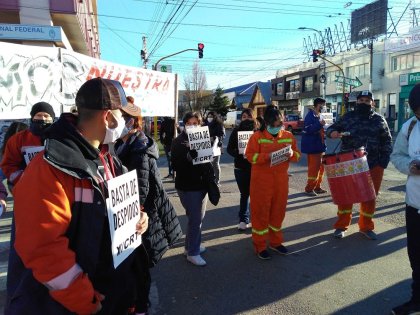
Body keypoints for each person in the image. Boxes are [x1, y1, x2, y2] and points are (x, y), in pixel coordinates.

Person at [5, 78, 149, 315]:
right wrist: (84, 300)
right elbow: (44, 249)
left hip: (109, 290)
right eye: (123, 116)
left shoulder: (107, 157)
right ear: (108, 117)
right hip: (72, 305)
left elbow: (116, 205)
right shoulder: (49, 168)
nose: (126, 123)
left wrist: (139, 217)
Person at [115, 99, 183, 310]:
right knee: (133, 268)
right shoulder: (122, 143)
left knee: (139, 269)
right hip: (130, 218)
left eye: (118, 117)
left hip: (141, 219)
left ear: (131, 122)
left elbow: (141, 192)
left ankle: (142, 307)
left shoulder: (139, 149)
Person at [326, 90, 392, 240]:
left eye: (367, 101)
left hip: (373, 164)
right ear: (357, 102)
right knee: (346, 195)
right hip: (349, 163)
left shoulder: (379, 120)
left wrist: (383, 162)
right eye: (361, 100)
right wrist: (333, 133)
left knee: (370, 197)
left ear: (372, 103)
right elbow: (330, 129)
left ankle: (366, 226)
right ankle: (341, 225)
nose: (364, 103)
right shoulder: (348, 117)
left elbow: (387, 141)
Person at [245, 106, 301, 260]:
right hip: (260, 183)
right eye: (273, 125)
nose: (277, 128)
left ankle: (276, 242)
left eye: (279, 125)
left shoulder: (288, 135)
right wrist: (266, 156)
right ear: (266, 123)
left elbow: (297, 155)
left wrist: (291, 154)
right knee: (260, 214)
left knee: (278, 213)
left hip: (281, 183)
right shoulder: (257, 136)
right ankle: (260, 245)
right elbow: (250, 156)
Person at [390, 84, 420, 315]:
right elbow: (397, 154)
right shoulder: (409, 127)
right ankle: (417, 299)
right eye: (417, 111)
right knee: (416, 257)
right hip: (415, 204)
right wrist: (409, 167)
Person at [171, 112, 211, 266]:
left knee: (196, 219)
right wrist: (188, 157)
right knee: (195, 220)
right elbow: (175, 165)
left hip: (201, 185)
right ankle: (193, 253)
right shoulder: (178, 141)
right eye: (189, 123)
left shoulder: (202, 138)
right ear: (184, 124)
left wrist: (212, 152)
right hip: (188, 186)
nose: (192, 126)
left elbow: (205, 163)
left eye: (196, 123)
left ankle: (190, 247)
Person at [1, 102, 55, 190]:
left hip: (54, 186)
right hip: (25, 186)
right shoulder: (18, 139)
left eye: (46, 115)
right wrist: (25, 178)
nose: (42, 118)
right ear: (32, 117)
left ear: (52, 118)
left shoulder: (60, 137)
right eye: (38, 115)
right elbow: (8, 165)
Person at [227, 108, 257, 231]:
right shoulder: (236, 131)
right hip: (240, 168)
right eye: (243, 116)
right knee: (244, 194)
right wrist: (239, 154)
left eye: (248, 116)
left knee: (256, 195)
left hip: (256, 168)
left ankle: (256, 219)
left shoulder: (258, 132)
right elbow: (229, 149)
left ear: (253, 117)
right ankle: (243, 220)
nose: (246, 119)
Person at [301, 97, 327, 196]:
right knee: (314, 169)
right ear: (317, 105)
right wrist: (319, 124)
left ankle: (317, 187)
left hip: (320, 146)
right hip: (313, 146)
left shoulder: (320, 115)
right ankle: (309, 188)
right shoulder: (310, 116)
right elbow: (307, 130)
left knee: (321, 169)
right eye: (322, 105)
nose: (324, 107)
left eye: (324, 105)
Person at [205, 111, 225, 185]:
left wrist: (214, 138)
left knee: (215, 164)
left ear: (215, 117)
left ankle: (217, 181)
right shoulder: (205, 124)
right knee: (207, 164)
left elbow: (223, 135)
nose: (209, 118)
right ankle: (209, 180)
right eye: (208, 116)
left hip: (216, 147)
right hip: (206, 146)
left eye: (211, 116)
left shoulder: (219, 124)